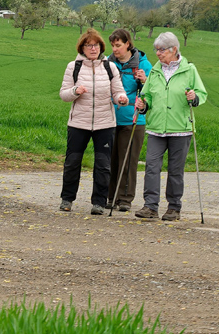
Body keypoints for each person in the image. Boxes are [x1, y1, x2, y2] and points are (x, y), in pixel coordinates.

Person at [134, 32, 207, 221]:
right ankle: (150, 206)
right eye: (156, 50)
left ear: (174, 49)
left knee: (176, 170)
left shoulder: (189, 69)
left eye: (162, 50)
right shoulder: (156, 70)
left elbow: (201, 92)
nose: (158, 53)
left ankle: (174, 208)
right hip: (156, 126)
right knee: (151, 166)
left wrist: (194, 97)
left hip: (181, 128)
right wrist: (144, 104)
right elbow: (148, 94)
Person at [58, 28, 129, 215]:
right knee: (72, 162)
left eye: (96, 45)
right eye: (89, 45)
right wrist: (75, 91)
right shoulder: (73, 67)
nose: (93, 49)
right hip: (78, 124)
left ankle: (98, 202)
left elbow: (118, 91)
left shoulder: (109, 67)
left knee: (103, 165)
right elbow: (64, 95)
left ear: (101, 47)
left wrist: (122, 98)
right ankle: (67, 199)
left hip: (105, 124)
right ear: (82, 48)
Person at [106, 28, 151, 212]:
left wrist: (144, 80)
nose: (115, 49)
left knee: (128, 161)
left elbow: (151, 92)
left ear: (128, 44)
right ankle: (110, 196)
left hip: (133, 120)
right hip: (109, 118)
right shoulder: (107, 63)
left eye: (118, 45)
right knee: (110, 161)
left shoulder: (143, 65)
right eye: (112, 46)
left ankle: (125, 198)